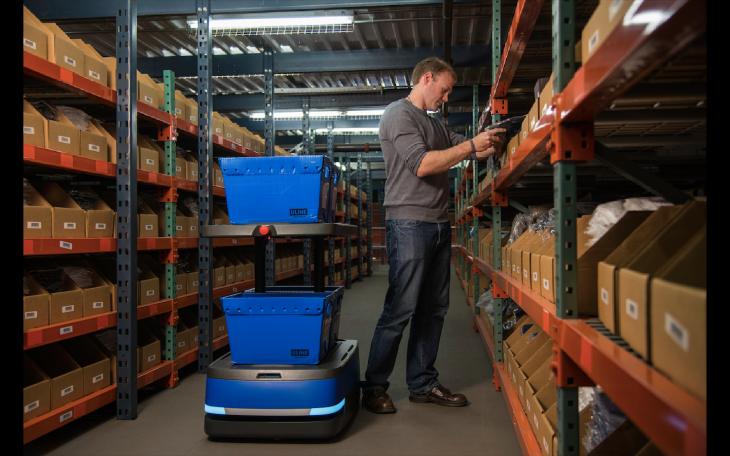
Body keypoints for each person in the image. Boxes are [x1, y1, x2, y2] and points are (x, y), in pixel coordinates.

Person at [361, 57, 506, 413]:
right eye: (444, 90)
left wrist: (493, 142)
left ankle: (422, 383)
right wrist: (471, 148)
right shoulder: (399, 115)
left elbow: (468, 145)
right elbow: (423, 164)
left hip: (440, 225)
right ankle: (375, 386)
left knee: (434, 309)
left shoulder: (435, 125)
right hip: (409, 224)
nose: (445, 98)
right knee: (401, 308)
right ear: (427, 78)